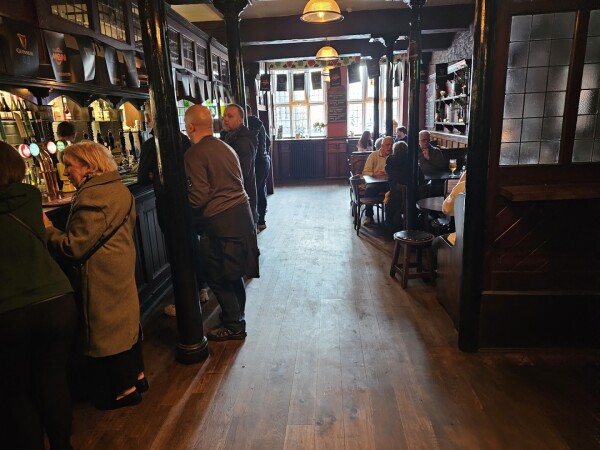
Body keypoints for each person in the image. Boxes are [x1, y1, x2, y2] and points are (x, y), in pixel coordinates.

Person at [43, 141, 147, 410]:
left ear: (89, 166)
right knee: (126, 324)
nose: (66, 172)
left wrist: (49, 230)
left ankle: (125, 391)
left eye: (70, 166)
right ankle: (138, 377)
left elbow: (74, 246)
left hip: (101, 274)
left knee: (107, 330)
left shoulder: (92, 197)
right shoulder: (118, 188)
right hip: (120, 264)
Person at [0, 142, 77, 450]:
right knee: (53, 380)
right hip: (57, 299)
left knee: (16, 390)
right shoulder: (31, 197)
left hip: (10, 310)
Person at [184, 105, 260, 341]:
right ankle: (236, 315)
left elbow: (198, 197)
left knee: (216, 275)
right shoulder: (226, 146)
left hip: (220, 222)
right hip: (242, 216)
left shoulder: (194, 154)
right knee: (233, 272)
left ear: (190, 127)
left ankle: (234, 325)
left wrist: (180, 203)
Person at [137, 102, 209, 315]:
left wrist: (153, 175)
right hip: (188, 202)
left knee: (176, 252)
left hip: (167, 205)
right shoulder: (185, 140)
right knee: (192, 245)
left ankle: (183, 301)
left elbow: (142, 179)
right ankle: (201, 288)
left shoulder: (151, 145)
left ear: (151, 118)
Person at [221, 104, 258, 224]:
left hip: (242, 196)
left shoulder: (243, 141)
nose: (225, 119)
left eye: (230, 116)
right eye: (224, 116)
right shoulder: (230, 137)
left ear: (240, 120)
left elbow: (242, 172)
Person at [246, 105, 271, 231]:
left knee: (254, 192)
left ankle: (256, 223)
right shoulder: (259, 124)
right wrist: (264, 153)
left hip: (257, 163)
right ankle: (261, 221)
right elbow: (268, 141)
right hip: (264, 161)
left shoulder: (249, 125)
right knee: (261, 190)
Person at [361, 136, 393, 226]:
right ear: (382, 146)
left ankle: (390, 216)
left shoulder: (394, 156)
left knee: (396, 191)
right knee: (369, 190)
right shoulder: (373, 155)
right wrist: (375, 173)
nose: (390, 147)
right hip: (375, 182)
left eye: (392, 145)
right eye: (387, 145)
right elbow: (365, 172)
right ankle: (369, 216)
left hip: (389, 182)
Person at [418, 130, 448, 196]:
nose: (426, 142)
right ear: (418, 141)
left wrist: (429, 158)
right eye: (423, 140)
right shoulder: (415, 151)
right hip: (420, 180)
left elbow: (443, 165)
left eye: (428, 140)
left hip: (435, 179)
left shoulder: (436, 151)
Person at [441, 170, 466, 245]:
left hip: (464, 240)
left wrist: (461, 180)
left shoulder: (467, 183)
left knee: (436, 243)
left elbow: (447, 209)